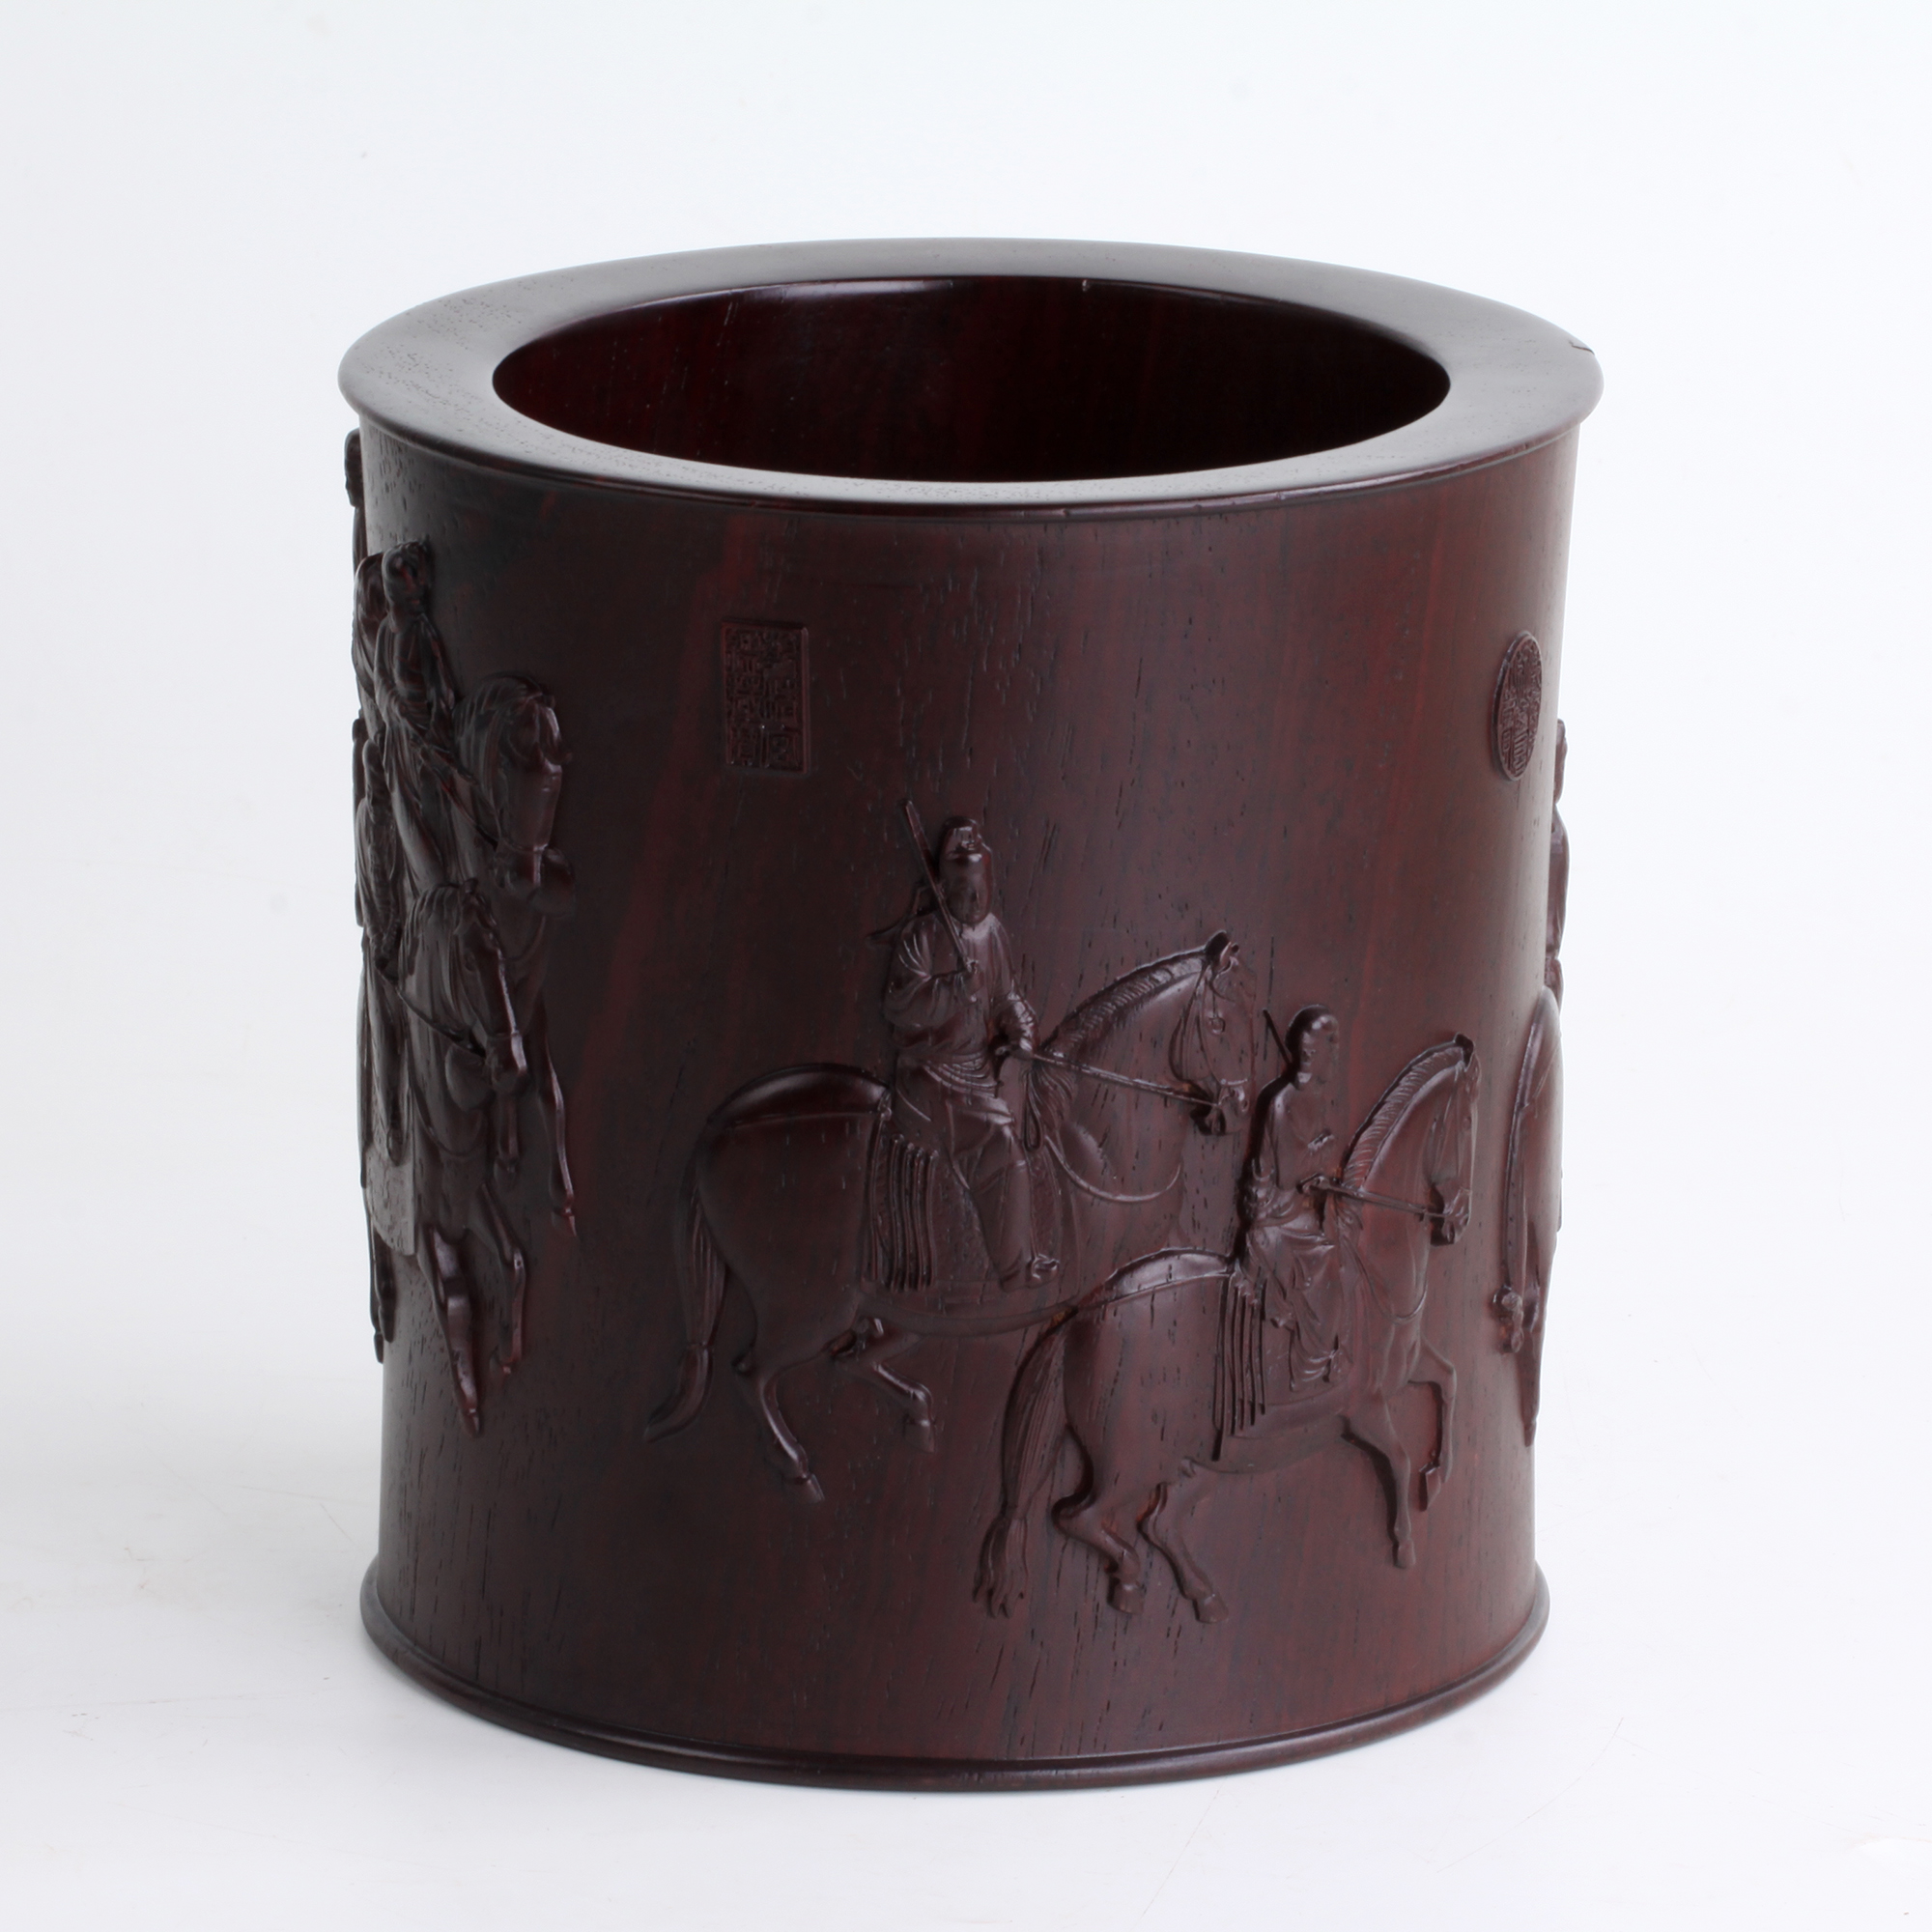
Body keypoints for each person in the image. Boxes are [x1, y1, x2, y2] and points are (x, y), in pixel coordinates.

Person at [882, 819, 1057, 1292]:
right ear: (944, 888)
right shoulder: (923, 936)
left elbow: (1005, 997)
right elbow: (899, 1006)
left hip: (978, 1069)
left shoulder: (992, 932)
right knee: (1002, 1145)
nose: (976, 900)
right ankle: (1014, 1268)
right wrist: (952, 990)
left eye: (982, 888)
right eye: (965, 890)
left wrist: (1022, 1034)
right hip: (930, 1072)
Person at [1237, 1006, 1347, 1393]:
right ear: (1313, 1053)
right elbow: (1287, 1172)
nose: (1337, 1057)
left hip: (1298, 1209)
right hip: (1275, 1215)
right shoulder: (1284, 1103)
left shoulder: (1313, 1098)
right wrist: (1322, 1150)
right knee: (1327, 1261)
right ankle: (1310, 1366)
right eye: (1332, 1048)